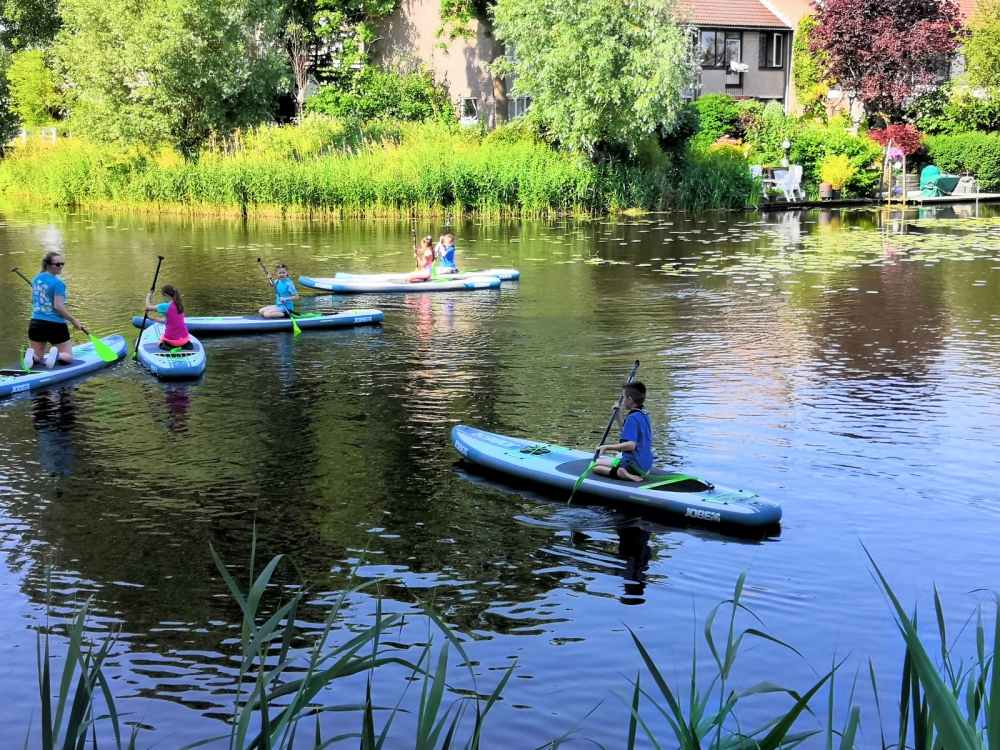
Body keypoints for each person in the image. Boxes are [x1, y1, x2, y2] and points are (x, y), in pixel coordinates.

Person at [24, 251, 83, 370]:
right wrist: (73, 320)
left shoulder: (36, 279)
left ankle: (30, 355)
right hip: (55, 324)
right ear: (48, 265)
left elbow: (33, 301)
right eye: (57, 264)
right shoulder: (58, 283)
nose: (61, 266)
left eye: (62, 264)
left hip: (36, 322)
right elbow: (58, 306)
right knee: (68, 356)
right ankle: (56, 355)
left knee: (38, 357)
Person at [592, 381, 653, 482]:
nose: (623, 400)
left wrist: (607, 447)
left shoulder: (632, 417)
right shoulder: (644, 414)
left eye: (624, 397)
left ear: (629, 400)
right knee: (618, 456)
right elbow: (627, 432)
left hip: (633, 465)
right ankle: (643, 471)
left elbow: (631, 445)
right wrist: (618, 414)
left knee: (596, 467)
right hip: (646, 463)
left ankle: (623, 473)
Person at [144, 285, 193, 351]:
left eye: (162, 296)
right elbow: (168, 321)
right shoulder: (180, 305)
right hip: (185, 339)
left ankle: (167, 346)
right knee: (182, 339)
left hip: (172, 340)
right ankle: (185, 345)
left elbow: (148, 307)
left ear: (166, 295)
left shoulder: (165, 306)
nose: (162, 299)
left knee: (160, 340)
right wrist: (152, 318)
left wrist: (148, 297)